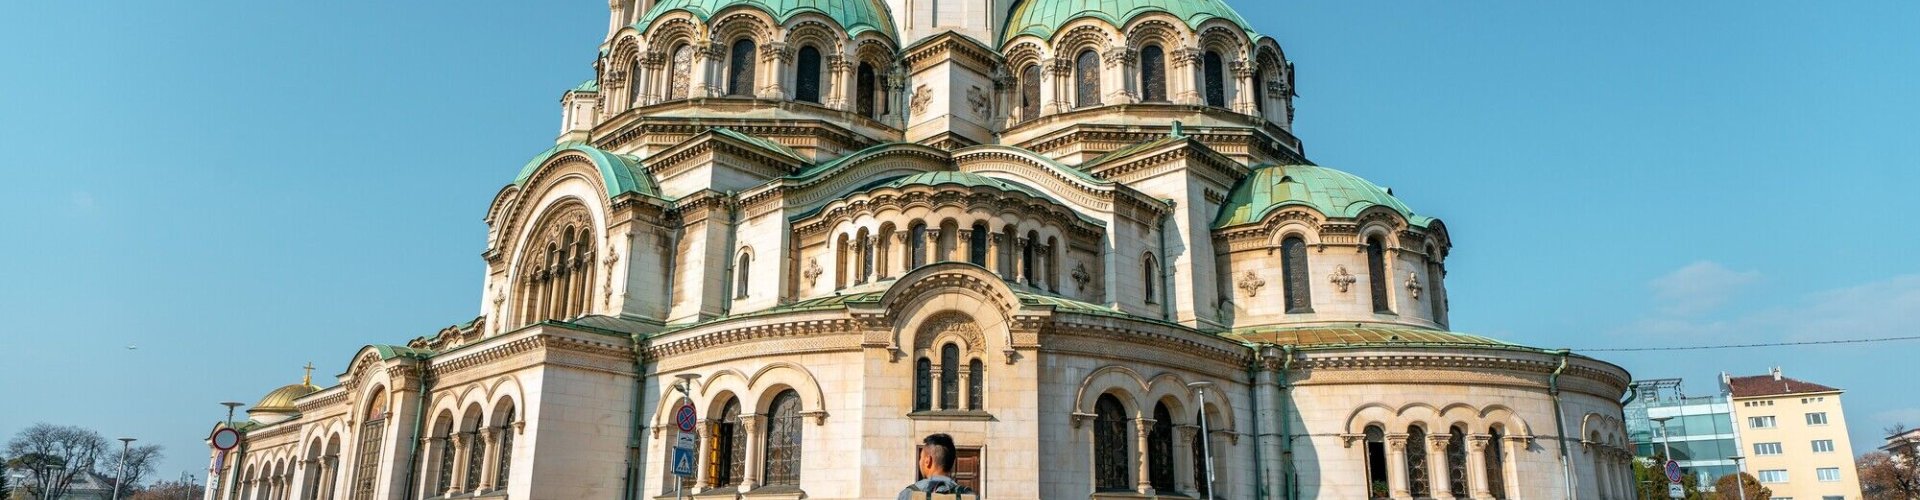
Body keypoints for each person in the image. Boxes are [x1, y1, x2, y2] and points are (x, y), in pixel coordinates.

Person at [897, 433, 975, 499]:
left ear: (928, 461)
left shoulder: (908, 495)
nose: (920, 462)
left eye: (921, 458)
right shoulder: (968, 495)